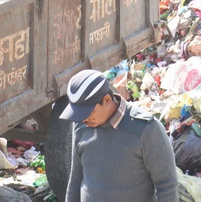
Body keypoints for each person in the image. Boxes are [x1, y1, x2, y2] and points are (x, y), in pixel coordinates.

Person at [63, 70, 178, 202]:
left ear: (106, 99)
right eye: (79, 114)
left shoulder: (146, 129)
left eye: (88, 112)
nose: (83, 119)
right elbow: (76, 179)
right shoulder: (81, 125)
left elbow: (167, 184)